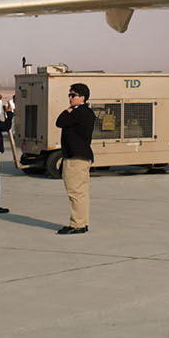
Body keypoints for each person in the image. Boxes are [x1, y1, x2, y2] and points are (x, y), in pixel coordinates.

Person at [55, 82, 95, 234]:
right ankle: (82, 222)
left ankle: (77, 224)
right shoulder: (86, 112)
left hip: (75, 157)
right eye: (69, 95)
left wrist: (68, 110)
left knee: (75, 193)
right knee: (81, 193)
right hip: (82, 156)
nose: (70, 98)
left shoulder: (78, 112)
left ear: (82, 97)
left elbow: (59, 122)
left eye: (73, 95)